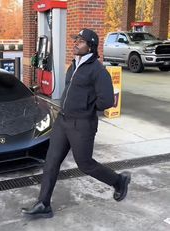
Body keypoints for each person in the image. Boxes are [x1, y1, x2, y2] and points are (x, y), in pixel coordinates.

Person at [21, 28, 131, 219]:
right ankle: (43, 204)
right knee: (51, 162)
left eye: (80, 41)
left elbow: (106, 101)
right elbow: (69, 91)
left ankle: (119, 181)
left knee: (85, 164)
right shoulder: (73, 65)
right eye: (76, 40)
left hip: (82, 125)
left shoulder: (98, 71)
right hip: (63, 121)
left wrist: (85, 108)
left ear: (91, 46)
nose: (75, 43)